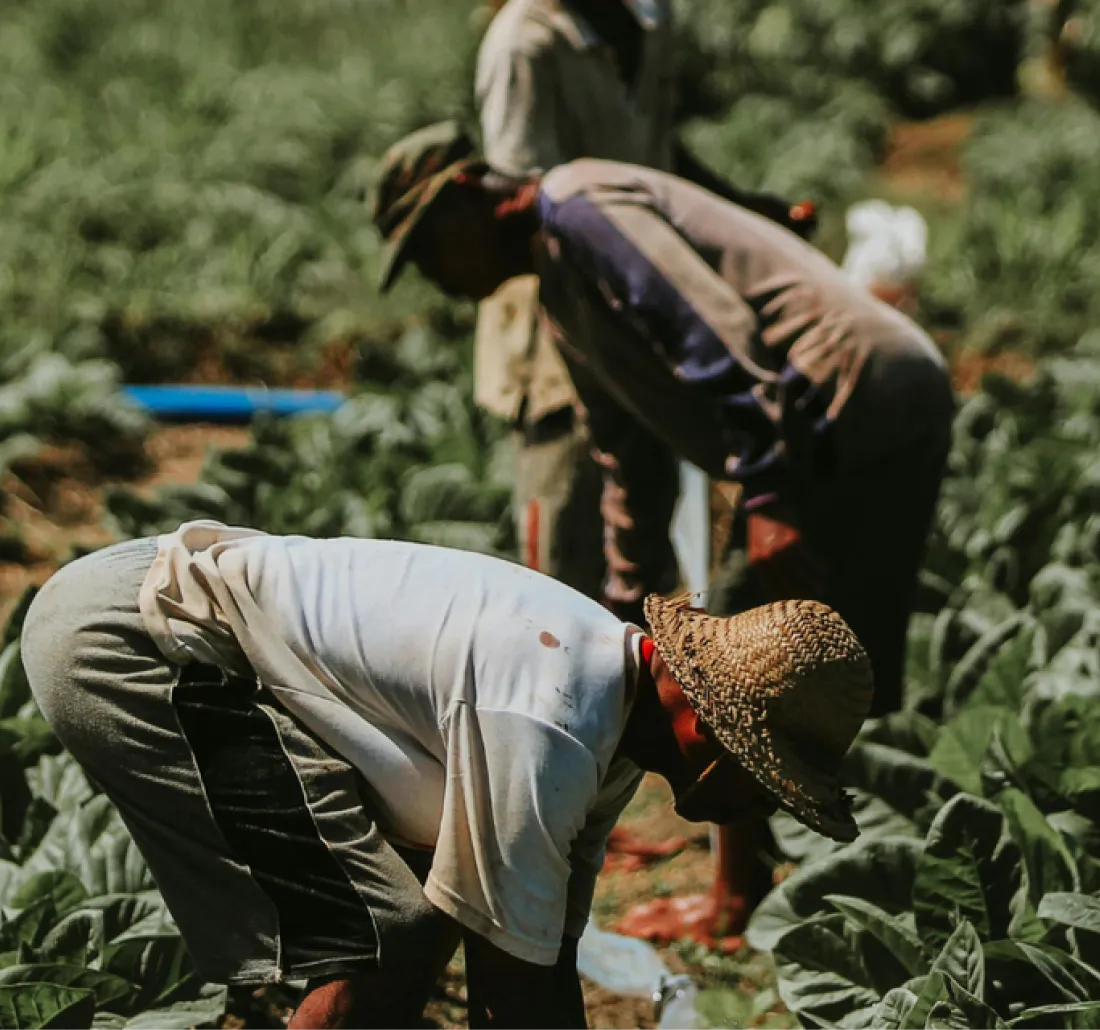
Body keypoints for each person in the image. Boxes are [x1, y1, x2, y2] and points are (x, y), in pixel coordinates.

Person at [367, 125, 955, 943]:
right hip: (838, 413)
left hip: (847, 403)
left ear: (468, 198)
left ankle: (750, 896)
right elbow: (626, 450)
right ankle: (831, 885)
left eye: (427, 247)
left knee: (761, 661)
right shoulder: (560, 286)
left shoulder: (581, 207)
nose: (435, 277)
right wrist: (624, 592)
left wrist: (769, 492)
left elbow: (712, 332)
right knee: (813, 661)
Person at [22, 521, 873, 1030]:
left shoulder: (611, 706)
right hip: (135, 642)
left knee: (414, 920)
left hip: (165, 617)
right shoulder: (554, 718)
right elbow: (512, 1000)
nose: (756, 809)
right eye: (767, 782)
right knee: (383, 937)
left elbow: (542, 953)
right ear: (706, 732)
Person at [471, 0, 817, 602]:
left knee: (645, 535)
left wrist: (736, 210)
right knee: (568, 561)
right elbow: (520, 210)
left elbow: (653, 161)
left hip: (642, 314)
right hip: (558, 334)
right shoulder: (524, 46)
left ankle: (647, 673)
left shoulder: (650, 22)